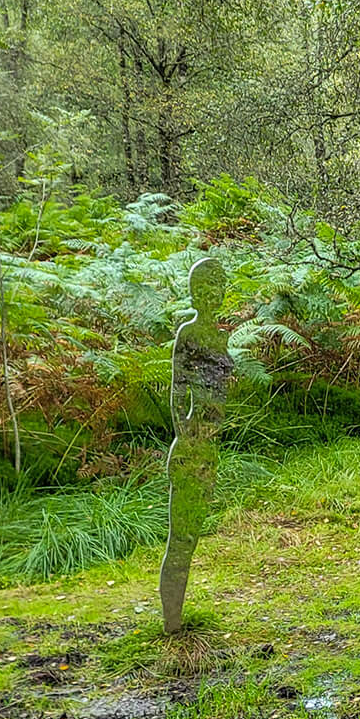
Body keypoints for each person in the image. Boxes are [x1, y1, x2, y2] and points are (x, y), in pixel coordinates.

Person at [160, 257, 232, 635]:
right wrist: (189, 438)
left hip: (209, 449)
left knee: (191, 536)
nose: (211, 295)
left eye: (217, 287)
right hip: (191, 452)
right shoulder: (189, 334)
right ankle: (172, 623)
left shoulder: (218, 337)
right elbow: (177, 391)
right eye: (204, 288)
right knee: (181, 539)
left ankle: (177, 618)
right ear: (193, 292)